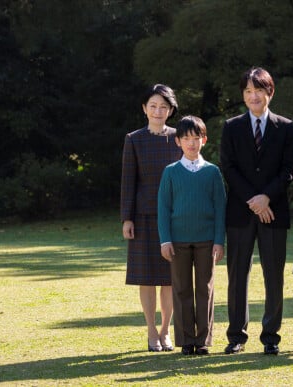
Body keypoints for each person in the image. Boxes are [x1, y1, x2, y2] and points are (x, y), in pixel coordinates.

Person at [219, 67, 293, 355]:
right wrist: (254, 199)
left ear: (269, 92)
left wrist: (266, 198)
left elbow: (290, 169)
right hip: (240, 213)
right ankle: (236, 336)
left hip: (273, 212)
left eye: (258, 90)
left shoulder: (285, 127)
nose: (253, 96)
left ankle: (271, 336)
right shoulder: (232, 126)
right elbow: (228, 167)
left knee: (273, 276)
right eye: (248, 91)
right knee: (237, 275)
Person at [120, 84, 182, 352]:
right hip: (143, 217)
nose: (158, 111)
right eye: (153, 106)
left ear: (171, 110)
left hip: (174, 217)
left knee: (170, 278)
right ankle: (150, 331)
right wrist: (127, 218)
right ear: (144, 108)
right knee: (146, 278)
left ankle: (166, 330)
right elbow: (128, 182)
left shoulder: (180, 137)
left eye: (164, 107)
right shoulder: (133, 139)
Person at [158, 115, 226, 356]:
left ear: (204, 140)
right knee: (181, 288)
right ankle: (187, 340)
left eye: (196, 138)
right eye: (186, 138)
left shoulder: (212, 172)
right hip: (177, 241)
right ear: (178, 141)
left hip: (207, 240)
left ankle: (203, 340)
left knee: (205, 289)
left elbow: (221, 208)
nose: (191, 143)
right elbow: (163, 208)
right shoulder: (170, 172)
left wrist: (219, 240)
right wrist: (165, 239)